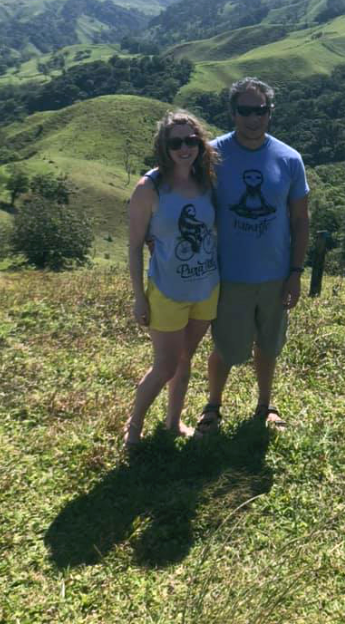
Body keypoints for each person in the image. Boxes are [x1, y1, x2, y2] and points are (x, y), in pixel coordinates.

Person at [195, 77, 310, 435]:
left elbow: (300, 220)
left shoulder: (289, 159)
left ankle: (265, 405)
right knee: (226, 347)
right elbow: (186, 199)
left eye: (260, 110)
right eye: (244, 110)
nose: (253, 118)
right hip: (229, 275)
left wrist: (295, 272)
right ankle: (213, 406)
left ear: (270, 112)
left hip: (275, 275)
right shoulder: (211, 155)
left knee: (269, 345)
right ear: (232, 112)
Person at [124, 110, 220, 447]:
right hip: (167, 291)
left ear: (200, 144)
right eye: (175, 142)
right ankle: (134, 426)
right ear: (163, 147)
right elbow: (134, 246)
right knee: (165, 366)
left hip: (206, 288)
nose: (184, 148)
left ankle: (173, 423)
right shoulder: (149, 189)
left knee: (184, 360)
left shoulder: (207, 182)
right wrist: (139, 297)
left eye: (190, 140)